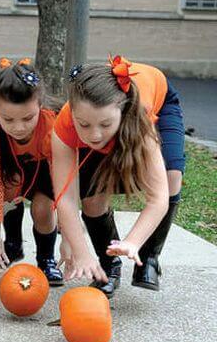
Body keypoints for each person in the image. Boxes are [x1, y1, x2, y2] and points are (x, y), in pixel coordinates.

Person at [53, 56, 184, 297]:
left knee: (171, 176)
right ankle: (109, 265)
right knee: (91, 197)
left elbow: (158, 198)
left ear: (121, 114)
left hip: (161, 100)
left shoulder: (138, 119)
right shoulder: (65, 125)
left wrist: (133, 241)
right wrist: (81, 252)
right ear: (73, 114)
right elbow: (65, 198)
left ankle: (149, 257)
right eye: (84, 124)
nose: (94, 135)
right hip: (110, 119)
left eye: (104, 124)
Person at [0, 58, 63, 285]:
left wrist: (66, 223)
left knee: (42, 209)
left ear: (40, 106)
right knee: (6, 192)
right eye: (8, 119)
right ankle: (11, 245)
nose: (19, 128)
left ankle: (46, 259)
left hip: (46, 171)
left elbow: (61, 179)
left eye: (28, 118)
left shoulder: (52, 127)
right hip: (13, 172)